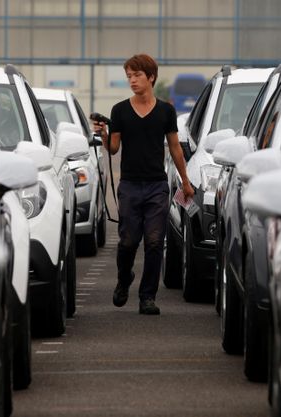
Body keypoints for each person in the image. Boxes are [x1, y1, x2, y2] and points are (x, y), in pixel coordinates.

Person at [92, 53, 194, 315]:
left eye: (137, 75)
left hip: (156, 186)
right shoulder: (120, 110)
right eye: (129, 76)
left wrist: (185, 181)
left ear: (151, 77)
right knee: (127, 241)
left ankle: (147, 296)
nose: (132, 80)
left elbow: (174, 148)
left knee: (153, 242)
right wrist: (104, 134)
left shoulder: (166, 111)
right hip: (129, 186)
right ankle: (124, 278)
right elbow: (113, 149)